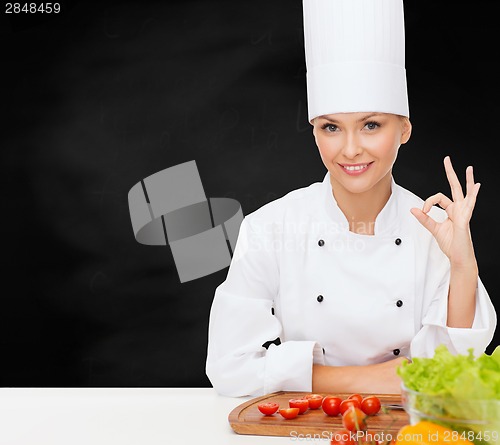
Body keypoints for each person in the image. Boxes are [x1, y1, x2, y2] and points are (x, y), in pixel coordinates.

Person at [205, 0, 497, 397]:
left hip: (403, 431)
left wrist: (463, 264)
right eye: (331, 128)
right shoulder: (270, 227)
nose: (351, 149)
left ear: (404, 129)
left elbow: (455, 367)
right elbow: (229, 366)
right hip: (303, 428)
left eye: (371, 125)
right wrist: (368, 381)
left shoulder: (435, 231)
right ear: (314, 132)